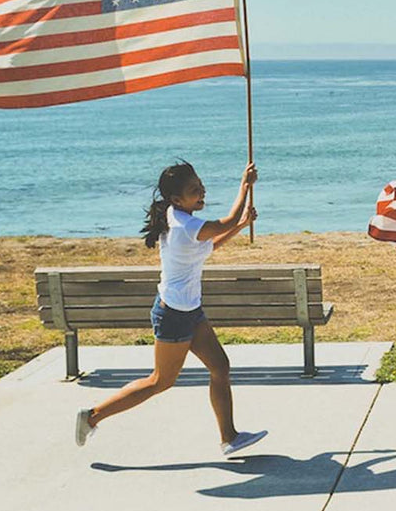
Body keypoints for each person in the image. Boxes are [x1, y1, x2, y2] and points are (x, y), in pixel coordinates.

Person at [75, 160, 267, 455]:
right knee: (159, 381)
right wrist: (244, 186)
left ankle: (229, 437)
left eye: (200, 185)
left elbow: (211, 244)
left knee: (220, 367)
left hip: (190, 310)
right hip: (174, 315)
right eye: (194, 190)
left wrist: (241, 225)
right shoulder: (184, 225)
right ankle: (92, 417)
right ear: (177, 199)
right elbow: (224, 223)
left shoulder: (178, 217)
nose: (202, 192)